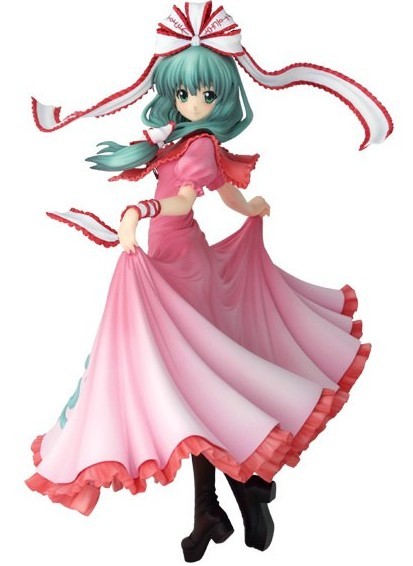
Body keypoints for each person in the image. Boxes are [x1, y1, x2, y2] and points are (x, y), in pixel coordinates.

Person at [26, 2, 393, 562]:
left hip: (183, 268)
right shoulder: (180, 139)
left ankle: (242, 490)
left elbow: (182, 199)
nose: (194, 102)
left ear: (223, 96)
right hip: (170, 260)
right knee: (190, 391)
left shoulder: (197, 145)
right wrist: (250, 204)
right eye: (183, 92)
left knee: (194, 386)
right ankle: (215, 505)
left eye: (206, 93)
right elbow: (226, 193)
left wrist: (143, 209)